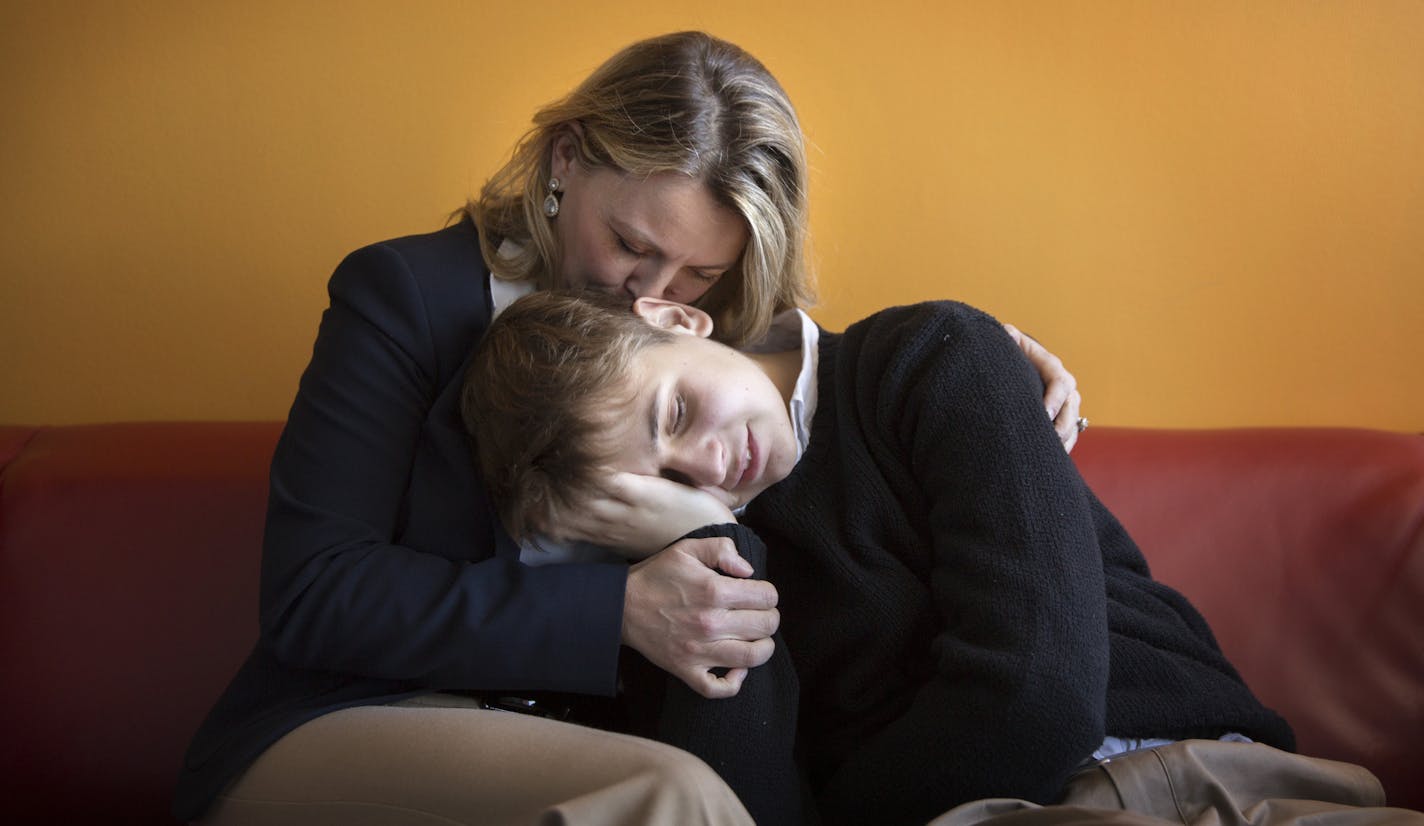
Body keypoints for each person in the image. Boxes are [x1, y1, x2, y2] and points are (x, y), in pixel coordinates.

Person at [173, 31, 1085, 826]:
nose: (650, 290)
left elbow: (818, 387)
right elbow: (317, 592)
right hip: (359, 721)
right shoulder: (405, 298)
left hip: (594, 753)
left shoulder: (702, 336)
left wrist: (992, 361)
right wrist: (615, 612)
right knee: (672, 801)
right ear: (565, 159)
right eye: (632, 245)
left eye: (698, 275)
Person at [463, 289, 1419, 826]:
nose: (710, 464)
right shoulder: (677, 590)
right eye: (665, 487)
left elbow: (1039, 694)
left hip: (1183, 771)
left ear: (677, 318)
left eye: (673, 412)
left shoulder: (930, 359)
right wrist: (707, 540)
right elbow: (742, 811)